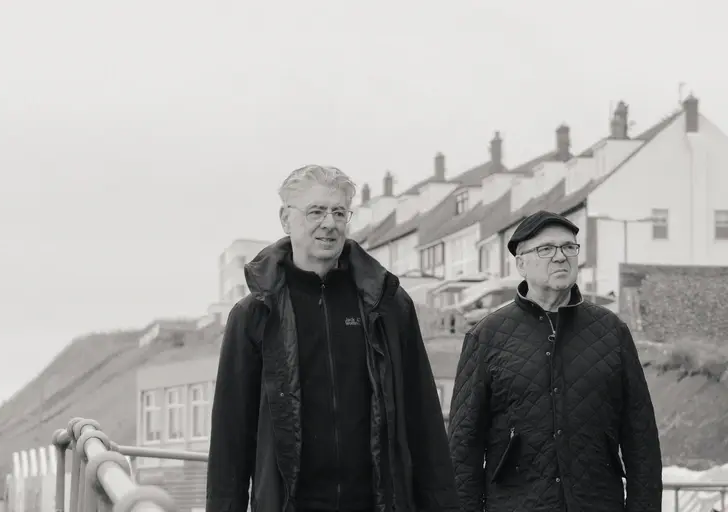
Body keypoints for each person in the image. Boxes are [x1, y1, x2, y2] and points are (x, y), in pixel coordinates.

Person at [207, 165, 459, 512]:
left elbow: (424, 420)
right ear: (286, 219)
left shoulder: (387, 305)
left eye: (339, 212)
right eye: (316, 211)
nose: (329, 223)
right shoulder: (254, 314)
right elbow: (230, 440)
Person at [448, 210, 662, 512]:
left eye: (569, 247)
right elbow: (462, 448)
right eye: (546, 249)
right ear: (521, 263)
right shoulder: (487, 336)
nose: (561, 257)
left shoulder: (611, 331)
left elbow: (642, 439)